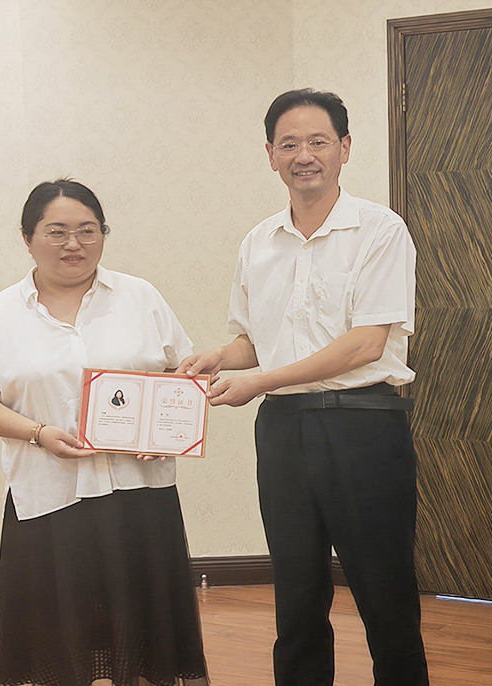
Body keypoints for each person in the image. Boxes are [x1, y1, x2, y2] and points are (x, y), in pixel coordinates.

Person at [177, 89, 429, 685]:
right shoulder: (257, 242)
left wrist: (259, 379)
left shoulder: (380, 229)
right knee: (296, 594)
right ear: (270, 155)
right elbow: (256, 342)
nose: (304, 155)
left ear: (345, 148)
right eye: (289, 144)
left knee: (385, 594)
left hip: (362, 423)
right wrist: (220, 356)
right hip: (282, 429)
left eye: (318, 141)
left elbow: (366, 344)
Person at [0, 180, 208, 686]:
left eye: (89, 230)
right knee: (59, 631)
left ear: (103, 234)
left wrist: (165, 431)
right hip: (49, 495)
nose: (74, 243)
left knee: (142, 626)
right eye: (57, 231)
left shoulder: (140, 296)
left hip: (138, 494)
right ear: (28, 238)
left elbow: (183, 374)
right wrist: (37, 432)